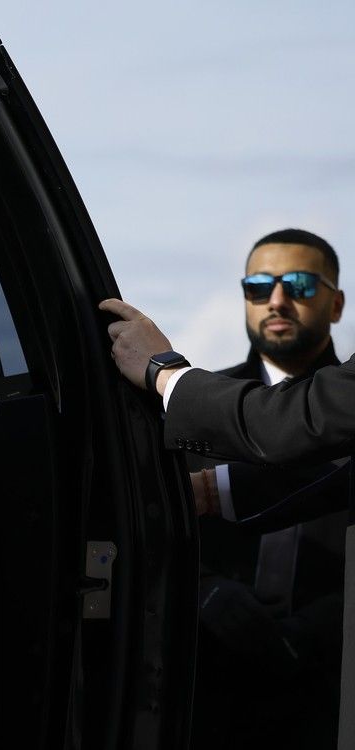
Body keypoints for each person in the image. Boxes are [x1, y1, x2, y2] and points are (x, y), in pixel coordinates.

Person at [186, 229, 346, 749]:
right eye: (258, 286)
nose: (276, 300)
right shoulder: (193, 412)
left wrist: (321, 629)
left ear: (336, 303)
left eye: (298, 284)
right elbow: (152, 518)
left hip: (335, 691)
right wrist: (208, 592)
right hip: (203, 689)